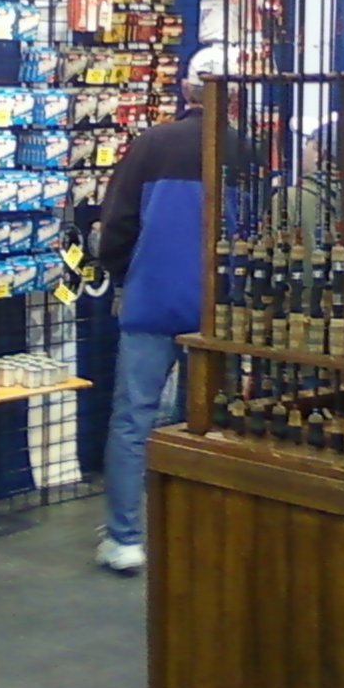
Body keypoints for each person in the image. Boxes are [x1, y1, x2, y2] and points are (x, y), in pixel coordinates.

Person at [94, 46, 230, 574]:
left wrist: (123, 274)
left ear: (186, 89)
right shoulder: (244, 150)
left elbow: (117, 224)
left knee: (134, 420)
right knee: (205, 422)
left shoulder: (152, 143)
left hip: (150, 300)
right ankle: (200, 531)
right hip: (216, 313)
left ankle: (126, 539)